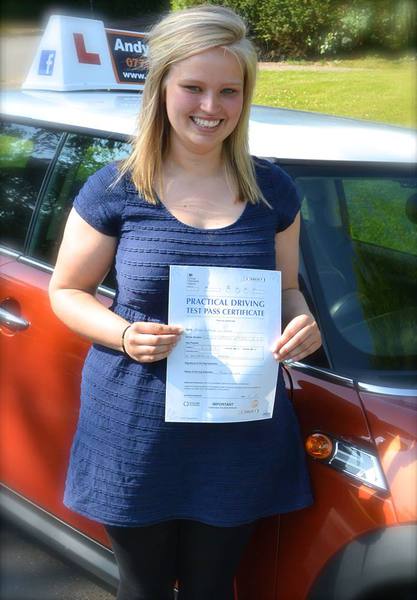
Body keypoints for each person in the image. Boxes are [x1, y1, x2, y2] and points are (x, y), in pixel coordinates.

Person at [49, 4, 322, 600]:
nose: (211, 106)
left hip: (236, 425)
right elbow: (66, 292)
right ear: (161, 88)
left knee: (212, 587)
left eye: (229, 91)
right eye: (193, 87)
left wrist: (302, 320)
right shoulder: (117, 187)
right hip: (137, 425)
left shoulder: (271, 190)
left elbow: (286, 288)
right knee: (144, 588)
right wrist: (124, 334)